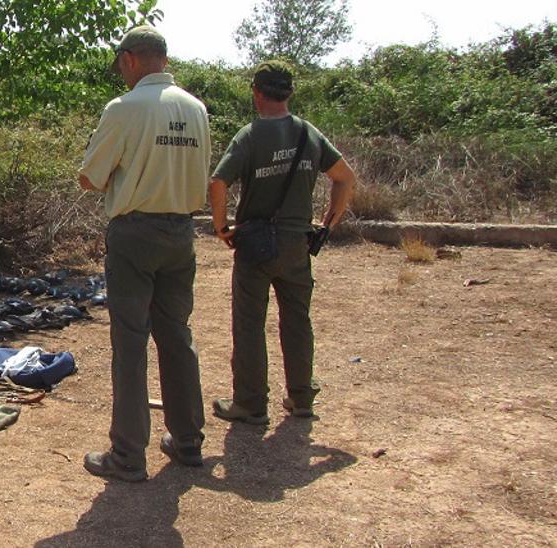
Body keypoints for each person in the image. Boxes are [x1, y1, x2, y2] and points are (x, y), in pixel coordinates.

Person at [78, 25, 212, 481]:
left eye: (120, 64)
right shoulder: (196, 109)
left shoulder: (124, 108)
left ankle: (128, 455)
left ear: (131, 58)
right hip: (181, 232)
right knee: (177, 335)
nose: (120, 72)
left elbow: (90, 178)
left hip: (135, 233)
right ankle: (189, 441)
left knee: (130, 343)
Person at [208, 60, 357, 425]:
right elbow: (345, 177)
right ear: (289, 93)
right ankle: (302, 397)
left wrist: (221, 225)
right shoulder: (309, 135)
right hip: (296, 244)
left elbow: (218, 182)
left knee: (249, 323)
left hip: (255, 244)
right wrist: (332, 217)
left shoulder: (249, 136)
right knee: (296, 319)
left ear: (257, 93)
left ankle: (250, 403)